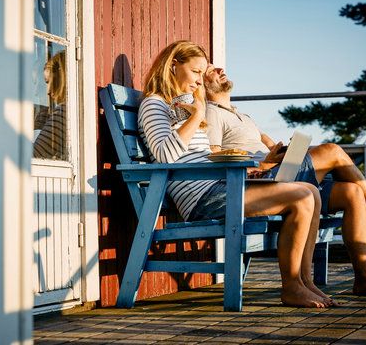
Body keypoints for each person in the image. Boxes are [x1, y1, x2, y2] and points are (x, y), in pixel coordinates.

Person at [137, 40, 336, 308]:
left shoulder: (183, 106)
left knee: (311, 191)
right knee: (301, 196)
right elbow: (164, 155)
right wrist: (196, 117)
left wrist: (257, 169)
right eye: (196, 72)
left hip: (221, 184)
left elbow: (202, 156)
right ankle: (291, 287)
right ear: (173, 66)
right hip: (201, 198)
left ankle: (304, 282)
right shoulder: (154, 103)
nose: (199, 81)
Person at [204, 63, 366, 297]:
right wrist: (263, 165)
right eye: (210, 70)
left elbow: (272, 148)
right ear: (203, 84)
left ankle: (364, 278)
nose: (219, 69)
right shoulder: (212, 113)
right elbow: (217, 160)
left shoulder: (244, 116)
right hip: (262, 182)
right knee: (332, 150)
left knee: (353, 193)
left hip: (279, 171)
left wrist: (289, 152)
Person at [34, 50, 67, 159]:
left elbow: (34, 154)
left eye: (47, 81)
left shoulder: (63, 111)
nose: (48, 91)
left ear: (61, 79)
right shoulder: (68, 111)